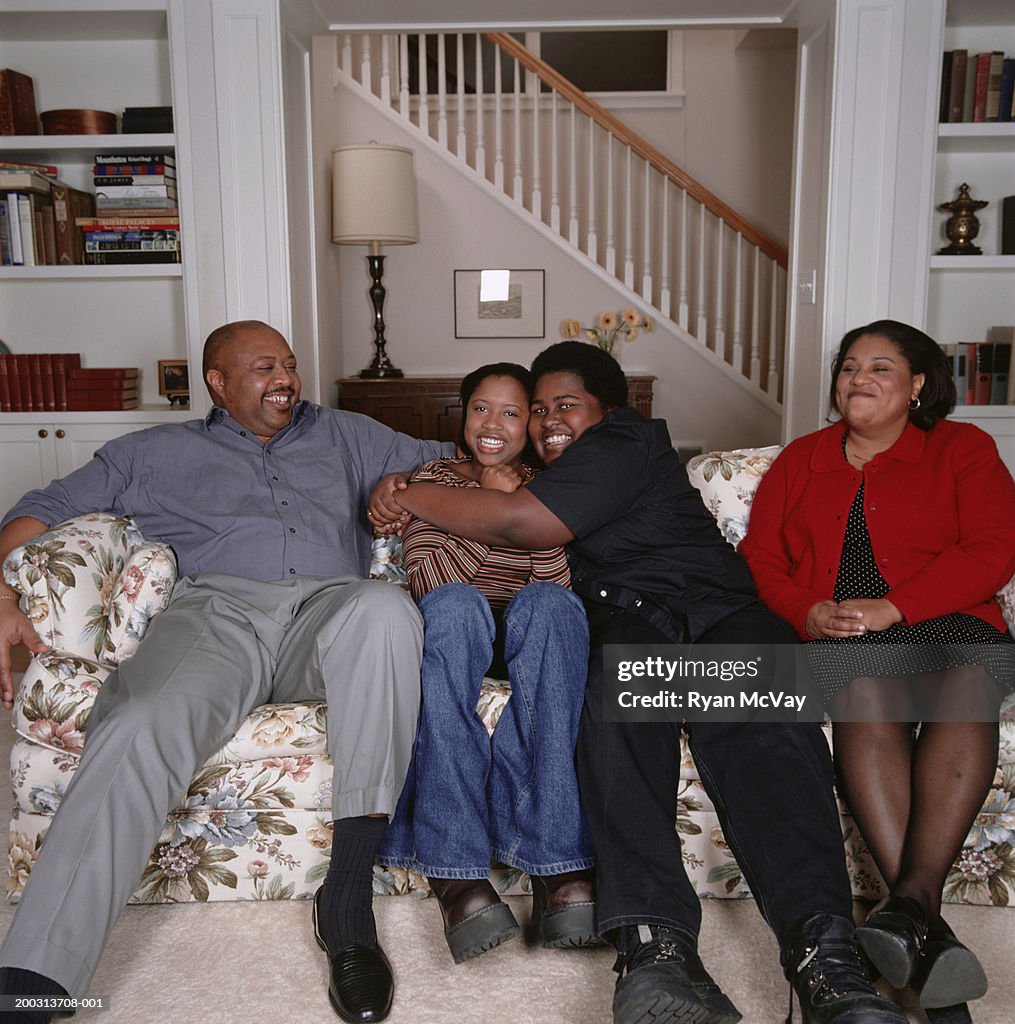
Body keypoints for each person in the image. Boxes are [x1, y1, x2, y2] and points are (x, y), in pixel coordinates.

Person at [369, 341, 908, 1024]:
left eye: (564, 404)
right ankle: (655, 948)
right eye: (537, 411)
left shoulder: (627, 441)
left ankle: (825, 960)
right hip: (630, 624)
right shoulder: (538, 471)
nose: (545, 421)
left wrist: (406, 492)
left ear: (609, 408)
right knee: (612, 726)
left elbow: (522, 522)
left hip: (716, 615)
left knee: (768, 735)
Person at [0, 320, 455, 1024]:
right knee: (141, 718)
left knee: (385, 610)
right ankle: (38, 971)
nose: (286, 380)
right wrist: (0, 593)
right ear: (217, 381)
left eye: (291, 365)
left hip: (330, 612)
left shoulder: (350, 434)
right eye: (265, 367)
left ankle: (347, 905)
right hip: (215, 616)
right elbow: (40, 510)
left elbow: (465, 458)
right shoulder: (149, 453)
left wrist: (411, 483)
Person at [739, 319, 1015, 1012]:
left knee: (965, 685)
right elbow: (761, 559)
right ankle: (924, 931)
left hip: (949, 622)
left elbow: (992, 548)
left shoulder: (962, 449)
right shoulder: (801, 459)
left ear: (918, 384)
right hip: (844, 636)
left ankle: (909, 908)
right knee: (862, 688)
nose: (858, 378)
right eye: (849, 366)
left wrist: (897, 606)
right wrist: (806, 611)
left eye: (880, 368)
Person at [377, 362, 596, 964]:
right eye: (481, 408)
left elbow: (554, 577)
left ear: (531, 423)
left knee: (553, 608)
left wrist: (511, 512)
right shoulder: (431, 478)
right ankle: (456, 871)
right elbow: (438, 575)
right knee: (453, 607)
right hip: (458, 625)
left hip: (530, 627)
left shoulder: (550, 483)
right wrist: (501, 512)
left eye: (511, 412)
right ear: (463, 414)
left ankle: (557, 864)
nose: (493, 424)